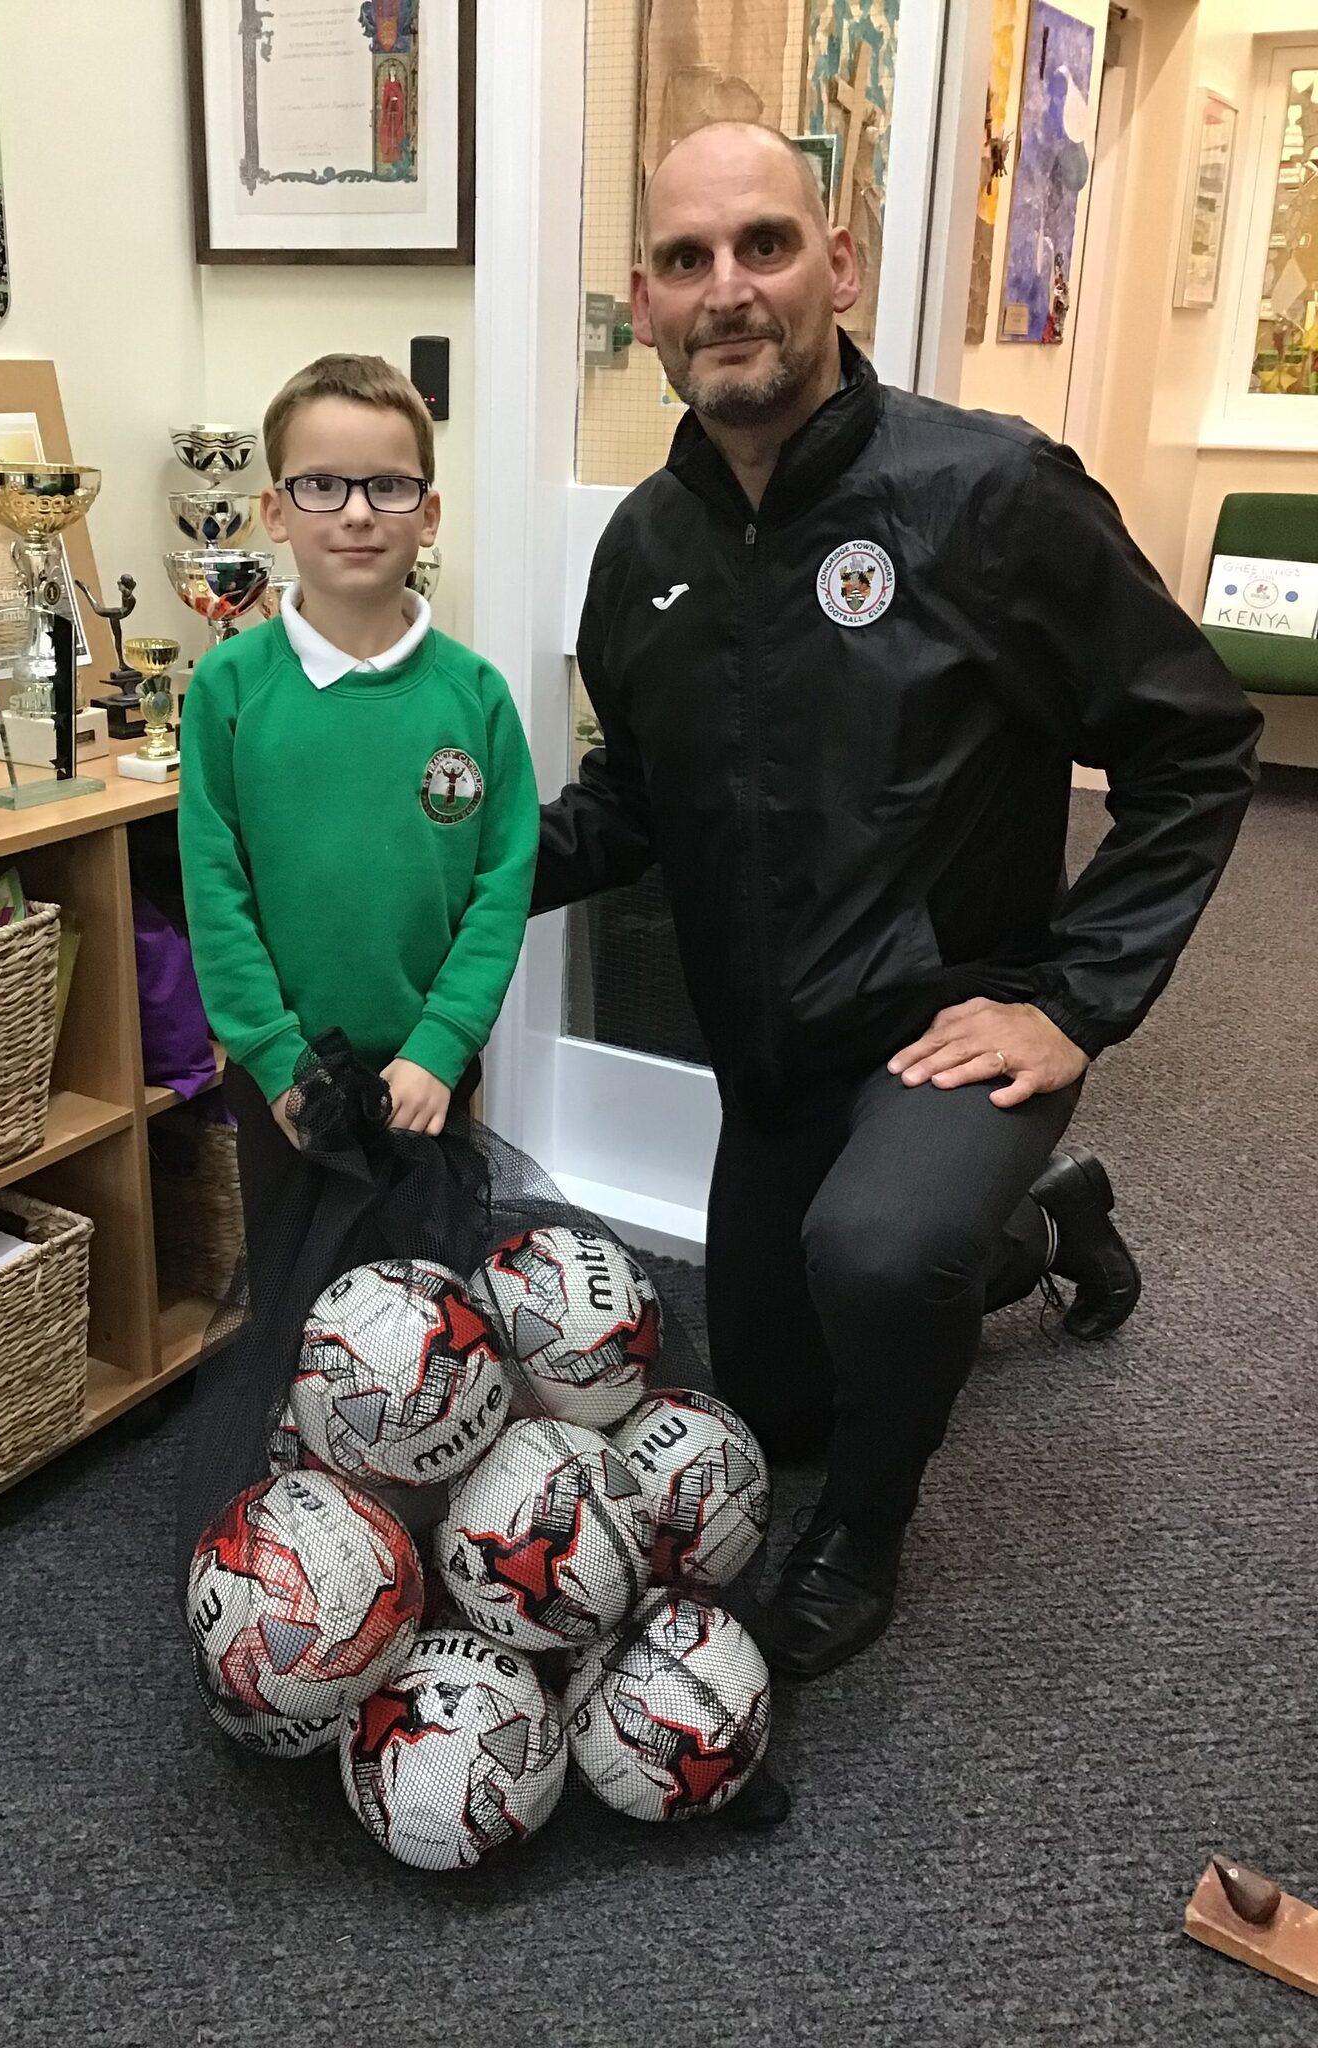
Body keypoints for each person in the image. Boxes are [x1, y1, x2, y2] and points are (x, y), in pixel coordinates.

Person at [534, 123, 1261, 1682]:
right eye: (686, 260)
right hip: (774, 1060)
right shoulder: (643, 549)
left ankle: (866, 1535)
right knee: (780, 1405)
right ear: (646, 305)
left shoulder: (990, 493)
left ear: (841, 267)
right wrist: (453, 871)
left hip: (953, 1029)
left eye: (766, 245)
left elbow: (1196, 745)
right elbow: (634, 806)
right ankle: (1039, 1227)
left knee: (875, 1258)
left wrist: (1074, 1001)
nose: (729, 288)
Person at [180, 353, 539, 1291]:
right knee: (300, 1308)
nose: (355, 512)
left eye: (388, 485)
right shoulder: (228, 687)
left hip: (427, 1075)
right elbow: (215, 888)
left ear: (429, 512)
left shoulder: (476, 695)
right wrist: (274, 1055)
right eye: (322, 485)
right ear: (274, 510)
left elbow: (502, 888)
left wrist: (441, 1046)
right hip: (286, 1081)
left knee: (432, 1311)